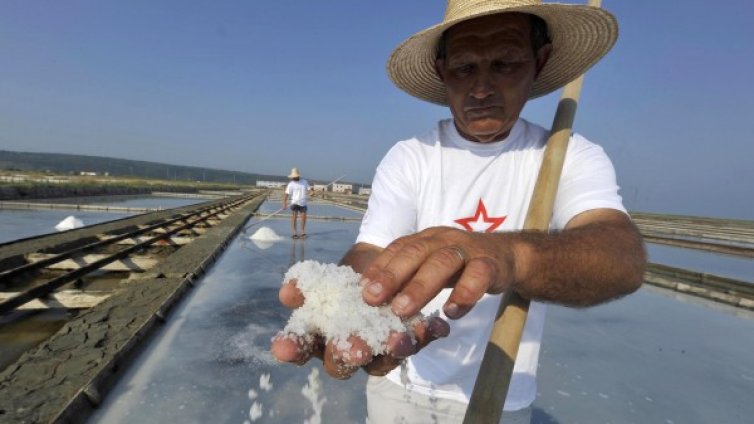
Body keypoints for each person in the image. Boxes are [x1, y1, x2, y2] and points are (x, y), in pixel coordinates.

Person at [272, 1, 646, 422]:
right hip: (402, 385)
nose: (482, 87)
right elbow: (372, 251)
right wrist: (347, 297)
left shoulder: (569, 156)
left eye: (505, 63)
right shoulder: (412, 157)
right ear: (441, 71)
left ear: (539, 62)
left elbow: (621, 256)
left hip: (505, 394)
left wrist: (509, 256)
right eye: (465, 68)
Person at [281, 167, 311, 239]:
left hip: (303, 202)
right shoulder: (291, 184)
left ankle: (302, 232)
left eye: (295, 177)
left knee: (303, 218)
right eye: (293, 177)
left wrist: (312, 192)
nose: (293, 178)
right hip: (294, 202)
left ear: (298, 176)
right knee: (294, 217)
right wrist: (284, 203)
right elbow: (286, 194)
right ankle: (294, 233)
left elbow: (310, 189)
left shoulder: (304, 182)